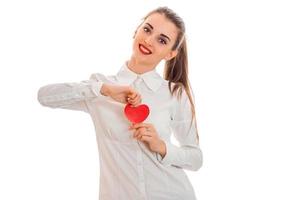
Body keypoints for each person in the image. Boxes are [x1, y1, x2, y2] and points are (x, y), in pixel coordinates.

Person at [37, 6, 203, 200]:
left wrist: (162, 146)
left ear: (170, 54)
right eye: (147, 29)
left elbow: (196, 159)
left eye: (161, 40)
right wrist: (104, 90)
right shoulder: (100, 87)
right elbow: (44, 96)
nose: (149, 41)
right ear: (136, 30)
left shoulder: (174, 93)